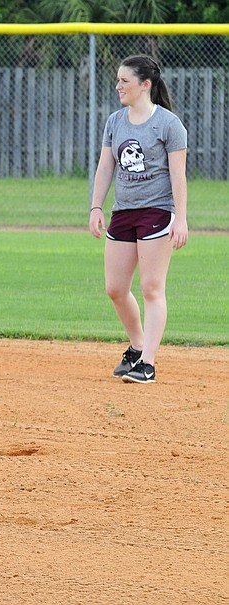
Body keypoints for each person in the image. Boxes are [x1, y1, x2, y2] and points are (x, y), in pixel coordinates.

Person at [89, 55, 188, 384]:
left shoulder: (168, 124)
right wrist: (96, 207)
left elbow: (178, 177)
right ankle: (136, 346)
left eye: (124, 81)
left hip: (157, 212)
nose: (118, 86)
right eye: (117, 80)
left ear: (145, 85)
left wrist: (182, 219)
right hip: (124, 211)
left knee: (151, 288)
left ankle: (147, 363)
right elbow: (106, 167)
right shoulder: (115, 122)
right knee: (116, 289)